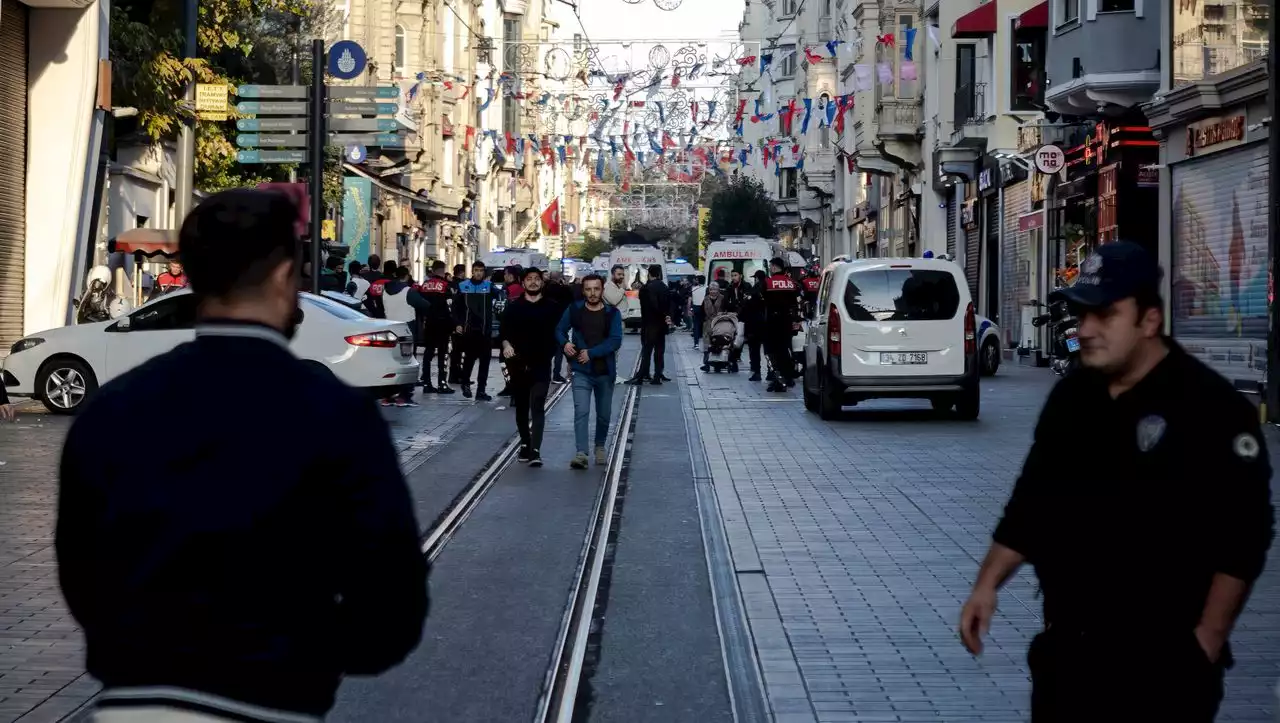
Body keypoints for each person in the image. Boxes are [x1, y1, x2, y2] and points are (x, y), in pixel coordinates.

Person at [55, 188, 428, 722]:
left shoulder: (112, 408)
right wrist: (307, 651)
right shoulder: (336, 415)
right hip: (271, 703)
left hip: (129, 705)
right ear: (283, 276)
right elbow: (392, 601)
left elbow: (81, 572)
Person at [958, 242, 1275, 723]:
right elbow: (1033, 500)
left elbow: (1246, 537)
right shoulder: (1074, 396)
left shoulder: (1209, 408)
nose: (1085, 330)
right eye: (1081, 314)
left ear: (1149, 320)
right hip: (1069, 657)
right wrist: (987, 586)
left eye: (1105, 316)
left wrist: (1206, 640)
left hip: (1165, 666)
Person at [556, 274, 623, 470]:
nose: (592, 293)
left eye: (596, 289)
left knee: (603, 414)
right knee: (581, 411)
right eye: (588, 289)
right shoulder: (574, 310)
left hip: (604, 372)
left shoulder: (612, 313)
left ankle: (600, 445)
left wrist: (591, 353)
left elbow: (615, 340)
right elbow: (559, 330)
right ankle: (581, 453)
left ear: (602, 290)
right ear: (583, 290)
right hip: (581, 371)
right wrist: (565, 343)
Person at [500, 267, 561, 467]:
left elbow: (559, 332)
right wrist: (506, 344)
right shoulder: (514, 306)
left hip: (542, 363)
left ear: (542, 283)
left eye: (536, 279)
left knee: (538, 404)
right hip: (518, 364)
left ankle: (535, 450)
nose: (533, 282)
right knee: (522, 407)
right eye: (529, 279)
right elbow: (504, 331)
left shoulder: (552, 306)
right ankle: (525, 443)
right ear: (523, 282)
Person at [453, 260, 499, 401]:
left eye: (481, 270)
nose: (479, 273)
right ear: (472, 271)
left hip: (485, 330)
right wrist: (458, 323)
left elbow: (502, 297)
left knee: (485, 362)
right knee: (469, 360)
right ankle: (465, 383)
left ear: (484, 272)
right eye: (476, 270)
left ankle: (481, 391)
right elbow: (455, 308)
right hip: (469, 329)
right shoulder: (463, 286)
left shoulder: (489, 286)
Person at [628, 264, 671, 386]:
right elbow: (668, 304)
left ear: (649, 274)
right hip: (661, 323)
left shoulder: (647, 288)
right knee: (659, 350)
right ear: (659, 274)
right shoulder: (664, 287)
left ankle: (642, 375)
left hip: (650, 323)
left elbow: (649, 305)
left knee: (647, 350)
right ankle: (657, 375)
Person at [761, 257, 800, 392]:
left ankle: (778, 378)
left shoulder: (768, 282)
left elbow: (762, 300)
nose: (770, 269)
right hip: (787, 322)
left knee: (772, 352)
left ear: (774, 267)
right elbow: (797, 301)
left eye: (771, 266)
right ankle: (788, 376)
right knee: (785, 349)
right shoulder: (791, 283)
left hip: (772, 322)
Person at [418, 261, 455, 394]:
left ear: (433, 270)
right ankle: (442, 383)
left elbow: (420, 304)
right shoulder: (446, 286)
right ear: (443, 270)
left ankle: (427, 383)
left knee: (428, 353)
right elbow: (450, 306)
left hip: (429, 323)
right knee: (443, 354)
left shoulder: (424, 285)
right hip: (443, 324)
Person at [545, 274, 575, 384]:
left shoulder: (545, 289)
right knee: (561, 348)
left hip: (548, 323)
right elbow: (571, 300)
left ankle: (549, 374)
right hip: (561, 322)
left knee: (552, 350)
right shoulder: (564, 290)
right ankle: (558, 374)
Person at [742, 270, 768, 381]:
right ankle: (771, 372)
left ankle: (756, 371)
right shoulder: (768, 287)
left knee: (754, 349)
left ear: (757, 278)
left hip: (754, 324)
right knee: (768, 349)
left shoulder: (755, 290)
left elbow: (748, 306)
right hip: (767, 322)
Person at [699, 282, 727, 371]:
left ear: (718, 290)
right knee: (707, 344)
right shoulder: (705, 299)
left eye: (715, 289)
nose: (713, 291)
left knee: (718, 343)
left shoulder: (723, 298)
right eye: (711, 289)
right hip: (708, 324)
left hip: (719, 323)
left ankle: (718, 364)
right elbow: (701, 312)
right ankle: (706, 363)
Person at [689, 275, 708, 350]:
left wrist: (689, 310)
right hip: (705, 308)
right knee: (705, 326)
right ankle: (706, 343)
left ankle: (696, 344)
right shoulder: (707, 289)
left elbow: (690, 300)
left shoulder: (693, 289)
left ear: (698, 281)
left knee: (696, 326)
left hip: (696, 308)